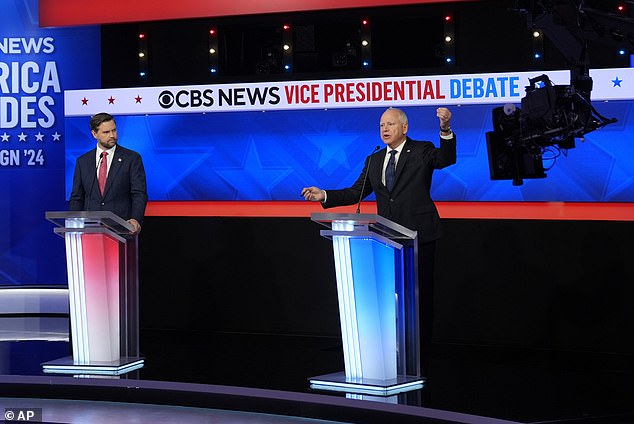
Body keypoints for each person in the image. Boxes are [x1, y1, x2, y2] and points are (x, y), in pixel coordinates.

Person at [301, 106, 456, 374]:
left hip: (420, 234)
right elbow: (355, 192)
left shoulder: (421, 150)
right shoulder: (374, 159)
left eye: (390, 124)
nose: (384, 129)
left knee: (420, 299)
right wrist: (324, 195)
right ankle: (394, 351)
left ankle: (422, 357)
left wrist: (445, 129)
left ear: (404, 128)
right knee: (392, 298)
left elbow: (446, 159)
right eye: (381, 125)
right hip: (388, 237)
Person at [69, 112, 148, 233]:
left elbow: (139, 193)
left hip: (122, 229)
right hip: (91, 230)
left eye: (114, 130)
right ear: (94, 134)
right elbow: (77, 197)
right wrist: (73, 223)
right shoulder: (83, 161)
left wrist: (135, 219)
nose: (112, 135)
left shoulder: (132, 158)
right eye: (106, 132)